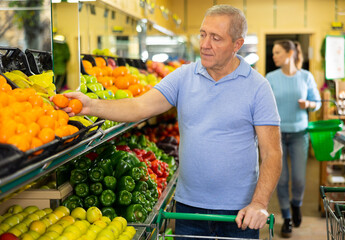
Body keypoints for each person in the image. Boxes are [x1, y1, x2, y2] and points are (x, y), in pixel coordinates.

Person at [59, 5, 282, 239]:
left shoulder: (258, 87)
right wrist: (91, 106)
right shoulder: (184, 77)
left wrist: (259, 202)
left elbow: (272, 153)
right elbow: (140, 106)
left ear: (237, 45)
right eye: (203, 34)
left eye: (216, 38)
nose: (205, 44)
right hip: (189, 211)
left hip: (240, 213)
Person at [266, 40, 321, 238]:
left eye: (278, 52)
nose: (274, 56)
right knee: (281, 180)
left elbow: (317, 102)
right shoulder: (270, 78)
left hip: (300, 134)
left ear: (290, 54)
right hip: (277, 136)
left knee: (298, 178)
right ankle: (287, 218)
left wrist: (309, 104)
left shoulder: (305, 76)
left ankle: (296, 203)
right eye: (273, 53)